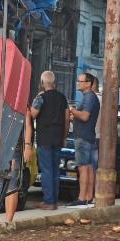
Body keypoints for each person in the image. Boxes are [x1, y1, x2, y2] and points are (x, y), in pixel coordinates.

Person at [26, 71, 68, 210]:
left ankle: (48, 201)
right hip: (57, 137)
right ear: (54, 83)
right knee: (55, 169)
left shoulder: (41, 98)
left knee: (46, 170)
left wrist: (32, 102)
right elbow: (67, 118)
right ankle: (54, 200)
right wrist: (64, 137)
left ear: (42, 83)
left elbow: (32, 114)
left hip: (44, 138)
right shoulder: (63, 98)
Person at [67, 72, 99, 207]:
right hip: (89, 136)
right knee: (90, 167)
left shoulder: (89, 98)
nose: (78, 83)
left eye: (81, 81)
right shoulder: (90, 98)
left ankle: (82, 197)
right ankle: (89, 196)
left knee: (83, 167)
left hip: (83, 137)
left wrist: (72, 111)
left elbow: (85, 116)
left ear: (88, 84)